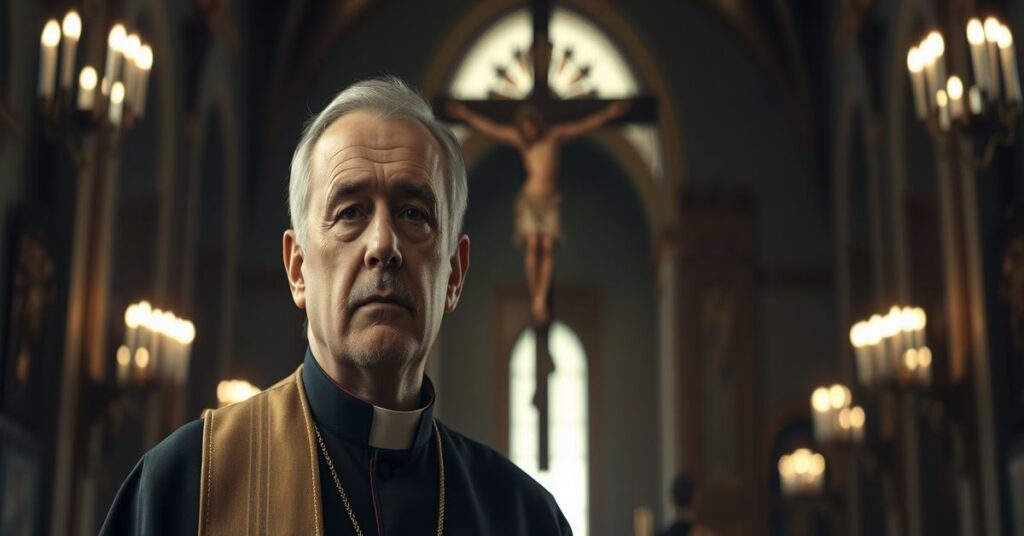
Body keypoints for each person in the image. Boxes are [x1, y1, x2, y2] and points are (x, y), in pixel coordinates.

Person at [100, 77, 572, 535]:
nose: (383, 244)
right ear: (298, 269)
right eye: (350, 212)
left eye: (414, 214)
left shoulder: (523, 517)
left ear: (454, 274)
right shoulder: (186, 486)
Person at [446, 99, 628, 324]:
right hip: (530, 200)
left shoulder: (555, 137)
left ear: (537, 124)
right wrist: (465, 115)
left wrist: (610, 113)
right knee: (533, 244)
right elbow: (491, 128)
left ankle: (541, 297)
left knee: (548, 247)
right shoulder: (523, 143)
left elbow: (585, 125)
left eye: (531, 128)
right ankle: (537, 299)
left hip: (551, 201)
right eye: (524, 131)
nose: (528, 133)